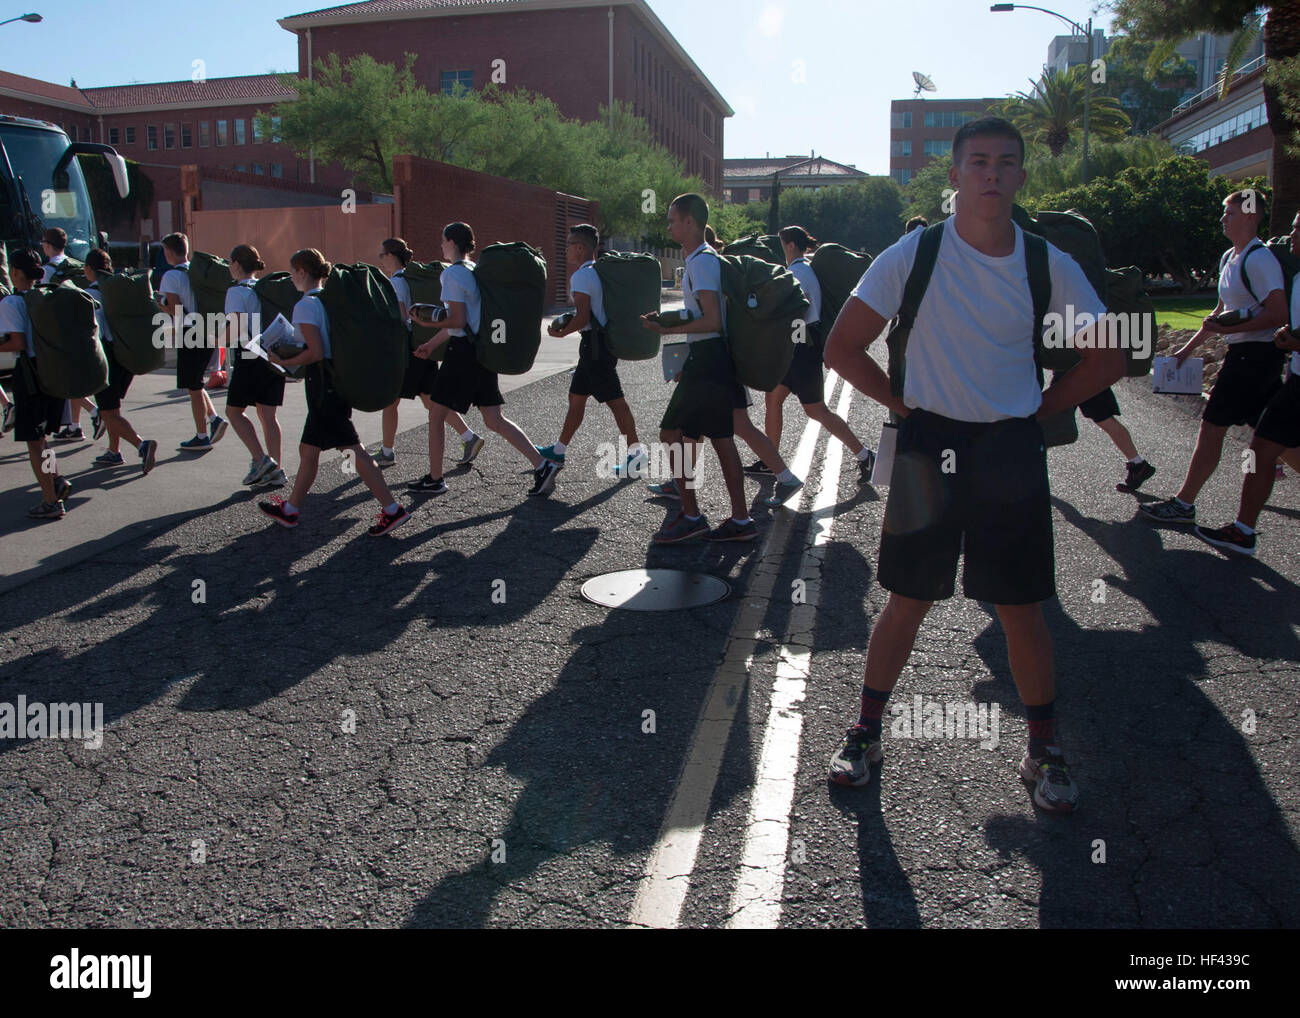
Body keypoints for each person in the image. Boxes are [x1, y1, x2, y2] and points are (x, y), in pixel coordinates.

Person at [822, 117, 1124, 813]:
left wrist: (1045, 407)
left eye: (1006, 162)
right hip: (928, 447)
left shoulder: (1049, 263)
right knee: (907, 599)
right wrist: (900, 401)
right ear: (954, 175)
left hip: (1009, 450)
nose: (993, 173)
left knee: (1021, 609)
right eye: (979, 161)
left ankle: (1043, 749)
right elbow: (841, 347)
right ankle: (866, 733)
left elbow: (1107, 356)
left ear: (1021, 176)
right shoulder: (912, 255)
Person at [1138, 190, 1289, 525]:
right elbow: (1218, 313)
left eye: (1229, 212)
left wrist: (1231, 330)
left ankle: (1184, 504)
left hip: (1255, 358)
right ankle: (1186, 503)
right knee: (1275, 436)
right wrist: (1188, 349)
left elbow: (1278, 313)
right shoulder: (1228, 258)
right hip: (1244, 356)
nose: (1223, 218)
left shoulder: (1259, 259)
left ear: (1250, 215)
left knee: (1213, 428)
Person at [257, 249, 410, 536]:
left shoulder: (305, 305)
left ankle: (392, 509)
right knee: (309, 450)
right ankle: (290, 510)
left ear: (303, 272)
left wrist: (281, 359)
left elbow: (313, 352)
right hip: (334, 379)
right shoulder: (329, 300)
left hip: (322, 383)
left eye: (292, 273)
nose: (291, 279)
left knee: (353, 450)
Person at [640, 193, 762, 543]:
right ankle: (741, 520)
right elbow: (704, 316)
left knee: (671, 435)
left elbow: (713, 320)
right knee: (720, 439)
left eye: (672, 219)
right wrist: (672, 325)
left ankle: (692, 516)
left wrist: (668, 328)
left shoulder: (701, 262)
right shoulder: (704, 260)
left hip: (708, 360)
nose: (669, 225)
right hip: (710, 359)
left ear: (689, 222)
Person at [413, 222, 562, 498]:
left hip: (462, 354)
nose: (440, 245)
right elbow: (466, 320)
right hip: (481, 350)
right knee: (493, 418)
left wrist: (426, 319)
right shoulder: (475, 271)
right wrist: (431, 345)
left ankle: (435, 479)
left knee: (436, 413)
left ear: (452, 242)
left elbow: (455, 320)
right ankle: (542, 465)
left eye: (443, 240)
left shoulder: (452, 275)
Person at [759, 225, 876, 485]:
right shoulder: (802, 269)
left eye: (783, 245)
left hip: (803, 351)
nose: (782, 250)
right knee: (773, 398)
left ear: (790, 246)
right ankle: (771, 460)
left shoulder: (798, 271)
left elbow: (799, 308)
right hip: (799, 350)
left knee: (817, 411)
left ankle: (866, 455)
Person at [1193, 278, 1300, 556]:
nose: (1292, 234)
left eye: (1298, 231)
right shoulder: (1298, 277)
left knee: (1263, 450)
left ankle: (1242, 530)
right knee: (1262, 449)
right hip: (1296, 381)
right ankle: (1243, 531)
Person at [537, 224, 647, 478]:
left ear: (581, 247)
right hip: (595, 346)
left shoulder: (582, 276)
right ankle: (559, 449)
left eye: (569, 244)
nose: (566, 249)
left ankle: (637, 454)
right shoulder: (597, 273)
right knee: (576, 399)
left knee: (616, 401)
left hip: (595, 347)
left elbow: (583, 316)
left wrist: (559, 332)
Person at [374, 237, 484, 482]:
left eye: (382, 255)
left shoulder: (396, 282)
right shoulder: (410, 279)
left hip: (409, 350)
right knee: (432, 402)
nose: (380, 259)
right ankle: (469, 437)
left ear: (392, 255)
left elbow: (402, 316)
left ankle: (387, 452)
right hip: (423, 348)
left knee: (391, 400)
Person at [0, 248, 75, 520]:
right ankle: (56, 480)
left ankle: (50, 501)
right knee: (42, 440)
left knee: (34, 443)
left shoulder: (11, 302)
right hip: (52, 372)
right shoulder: (46, 294)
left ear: (16, 272)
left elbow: (17, 343)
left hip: (30, 377)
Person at [83, 249, 158, 475]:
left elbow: (93, 329)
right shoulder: (119, 290)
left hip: (106, 357)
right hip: (126, 354)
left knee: (108, 413)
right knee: (112, 408)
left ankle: (141, 445)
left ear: (89, 269)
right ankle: (113, 451)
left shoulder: (89, 294)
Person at [223, 244, 286, 488]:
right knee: (268, 415)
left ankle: (261, 460)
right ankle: (277, 470)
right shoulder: (264, 289)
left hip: (249, 355)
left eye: (230, 261)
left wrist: (214, 339)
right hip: (272, 353)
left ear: (237, 264)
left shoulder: (236, 292)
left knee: (234, 412)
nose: (229, 266)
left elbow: (236, 327)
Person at [159, 232, 228, 451]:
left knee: (193, 386)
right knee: (195, 382)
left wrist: (161, 304)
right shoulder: (198, 272)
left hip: (189, 332)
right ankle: (214, 419)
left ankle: (201, 436)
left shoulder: (171, 276)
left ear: (169, 252)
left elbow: (176, 311)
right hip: (208, 328)